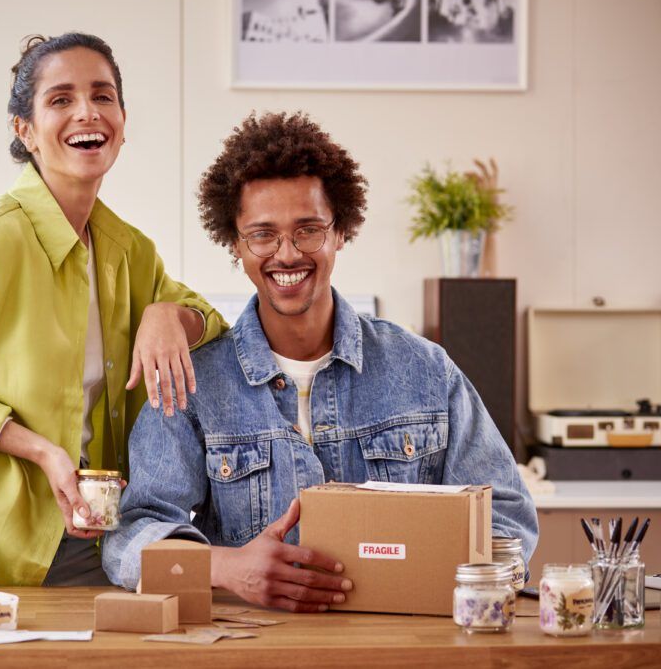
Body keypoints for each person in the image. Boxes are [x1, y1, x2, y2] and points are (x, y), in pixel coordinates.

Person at [102, 112, 537, 611]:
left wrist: (448, 587)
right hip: (253, 649)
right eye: (262, 235)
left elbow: (506, 516)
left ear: (341, 233)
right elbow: (129, 537)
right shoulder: (192, 382)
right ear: (236, 245)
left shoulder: (425, 370)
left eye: (308, 230)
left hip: (405, 648)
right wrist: (226, 567)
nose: (286, 254)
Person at [0, 32, 225, 586]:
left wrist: (169, 316)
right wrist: (41, 451)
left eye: (103, 96)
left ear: (123, 123)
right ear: (25, 130)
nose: (87, 111)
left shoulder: (130, 250)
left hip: (86, 542)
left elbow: (209, 317)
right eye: (61, 99)